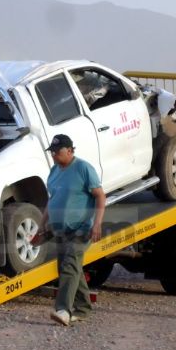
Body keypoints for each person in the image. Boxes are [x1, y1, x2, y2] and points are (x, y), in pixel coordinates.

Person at [40, 134, 106, 326]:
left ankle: (63, 310)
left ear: (69, 150)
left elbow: (100, 196)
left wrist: (97, 223)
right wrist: (42, 224)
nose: (54, 155)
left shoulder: (83, 168)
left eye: (57, 151)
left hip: (81, 228)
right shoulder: (54, 171)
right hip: (60, 230)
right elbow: (52, 199)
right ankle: (83, 308)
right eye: (52, 151)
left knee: (69, 265)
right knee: (68, 267)